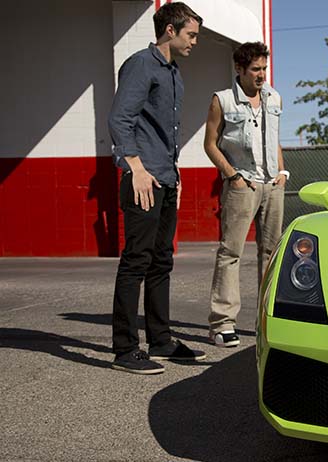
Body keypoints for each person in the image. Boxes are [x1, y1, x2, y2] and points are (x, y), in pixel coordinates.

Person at [108, 2, 205, 374]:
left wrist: (173, 175)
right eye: (191, 34)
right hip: (142, 180)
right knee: (136, 260)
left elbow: (166, 134)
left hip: (165, 177)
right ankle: (125, 348)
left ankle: (160, 340)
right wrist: (135, 167)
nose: (194, 41)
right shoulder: (141, 64)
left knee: (161, 261)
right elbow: (120, 118)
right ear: (170, 30)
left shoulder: (175, 74)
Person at [204, 42, 287, 347]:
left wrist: (283, 172)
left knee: (271, 255)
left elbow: (275, 138)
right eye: (255, 69)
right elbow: (210, 144)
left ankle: (265, 321)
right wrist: (232, 175)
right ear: (239, 69)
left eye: (264, 68)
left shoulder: (274, 97)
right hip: (242, 185)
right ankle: (222, 323)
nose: (261, 75)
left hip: (272, 185)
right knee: (230, 253)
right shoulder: (222, 101)